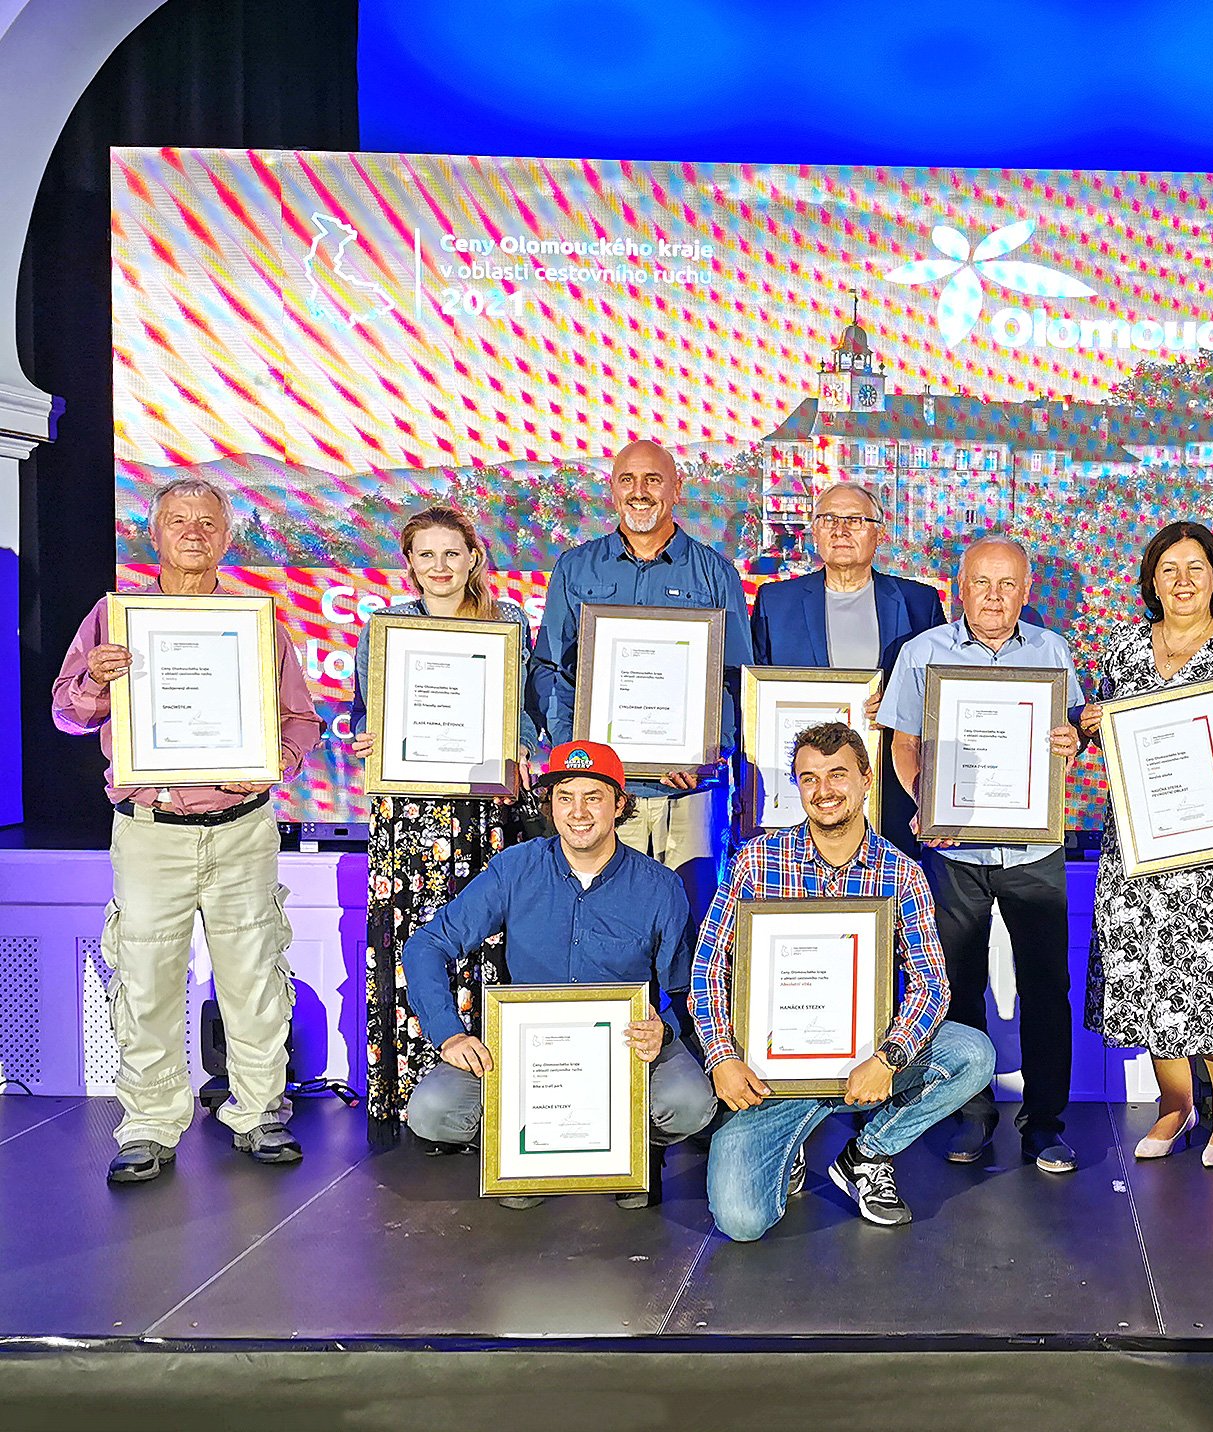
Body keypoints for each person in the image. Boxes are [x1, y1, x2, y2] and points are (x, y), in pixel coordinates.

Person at [51, 476, 324, 1183]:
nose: (194, 533)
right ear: (154, 533)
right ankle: (148, 1124)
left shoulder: (256, 622)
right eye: (179, 520)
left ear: (227, 537)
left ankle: (259, 1111)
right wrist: (95, 681)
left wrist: (275, 763)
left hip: (241, 829)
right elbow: (66, 714)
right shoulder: (115, 618)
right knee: (145, 981)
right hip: (151, 830)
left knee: (256, 977)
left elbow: (300, 720)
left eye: (208, 522)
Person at [692, 723, 995, 1238]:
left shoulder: (901, 872)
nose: (823, 790)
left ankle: (867, 1154)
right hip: (774, 1075)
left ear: (866, 779)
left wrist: (888, 1058)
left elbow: (931, 984)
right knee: (741, 1222)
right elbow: (708, 968)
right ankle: (788, 1147)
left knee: (972, 1054)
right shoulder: (756, 861)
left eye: (837, 774)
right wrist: (722, 1058)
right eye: (809, 778)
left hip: (866, 1058)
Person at [399, 740, 716, 1209]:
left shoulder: (659, 887)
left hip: (625, 1053)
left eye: (593, 797)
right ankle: (522, 1147)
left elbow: (685, 987)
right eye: (565, 797)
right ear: (550, 804)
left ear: (620, 804)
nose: (578, 812)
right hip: (529, 1056)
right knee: (430, 1110)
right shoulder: (515, 869)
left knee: (690, 1102)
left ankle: (635, 1150)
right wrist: (449, 1033)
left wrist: (663, 1030)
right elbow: (426, 944)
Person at [879, 534, 1086, 1173]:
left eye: (1008, 585)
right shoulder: (921, 653)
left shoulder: (1052, 650)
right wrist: (926, 800)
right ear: (959, 589)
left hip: (1034, 848)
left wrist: (1071, 741)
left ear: (1025, 592)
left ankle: (1044, 1124)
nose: (994, 597)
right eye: (982, 584)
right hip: (955, 850)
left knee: (1046, 987)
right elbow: (904, 745)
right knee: (954, 986)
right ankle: (970, 1114)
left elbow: (1069, 734)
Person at [1080, 522, 1213, 1166]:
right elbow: (1107, 733)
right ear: (1152, 582)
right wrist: (1088, 722)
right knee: (1149, 979)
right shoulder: (1122, 651)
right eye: (1169, 569)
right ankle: (1176, 1104)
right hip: (1138, 844)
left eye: (1196, 567)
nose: (1183, 580)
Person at [351, 505, 544, 1144]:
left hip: (484, 811)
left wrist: (520, 751)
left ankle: (487, 1094)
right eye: (426, 554)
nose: (439, 566)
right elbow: (364, 713)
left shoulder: (507, 622)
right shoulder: (384, 629)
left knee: (488, 942)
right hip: (407, 813)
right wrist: (366, 736)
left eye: (451, 553)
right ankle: (412, 1093)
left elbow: (524, 713)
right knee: (415, 942)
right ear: (409, 563)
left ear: (473, 558)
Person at [529, 438, 752, 923]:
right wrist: (579, 753)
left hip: (688, 793)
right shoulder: (575, 567)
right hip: (600, 793)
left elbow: (736, 680)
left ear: (676, 487)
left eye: (653, 479)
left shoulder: (715, 573)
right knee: (605, 925)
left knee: (694, 922)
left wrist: (706, 752)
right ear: (612, 490)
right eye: (627, 480)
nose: (639, 491)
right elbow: (549, 669)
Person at [749, 480, 947, 859]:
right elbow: (755, 700)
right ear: (814, 532)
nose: (840, 530)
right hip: (803, 795)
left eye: (855, 520)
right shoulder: (776, 602)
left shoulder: (919, 603)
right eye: (829, 519)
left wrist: (902, 705)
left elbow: (940, 697)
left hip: (890, 790)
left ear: (878, 533)